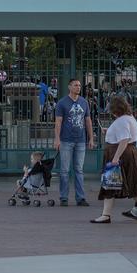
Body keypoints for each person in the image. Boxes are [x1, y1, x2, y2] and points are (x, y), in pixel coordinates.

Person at [91, 97, 137, 224]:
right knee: (130, 185)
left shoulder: (121, 121)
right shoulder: (129, 119)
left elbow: (124, 139)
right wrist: (109, 131)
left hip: (119, 154)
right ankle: (106, 214)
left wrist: (115, 158)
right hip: (129, 153)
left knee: (113, 184)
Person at [54, 79, 94, 207]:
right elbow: (58, 122)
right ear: (69, 87)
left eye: (79, 85)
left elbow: (88, 121)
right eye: (75, 85)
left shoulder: (84, 102)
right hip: (66, 140)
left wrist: (91, 138)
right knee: (64, 170)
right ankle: (63, 197)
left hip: (81, 140)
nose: (78, 87)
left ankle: (80, 198)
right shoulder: (62, 103)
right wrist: (57, 138)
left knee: (79, 170)